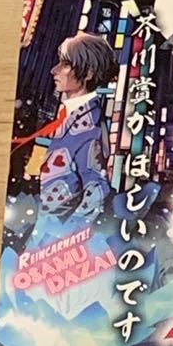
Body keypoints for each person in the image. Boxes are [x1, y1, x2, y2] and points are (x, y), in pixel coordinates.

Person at [39, 31, 119, 225]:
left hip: (55, 232)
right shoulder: (71, 116)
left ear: (88, 74)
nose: (54, 70)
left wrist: (64, 237)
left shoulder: (90, 126)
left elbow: (97, 192)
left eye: (66, 65)